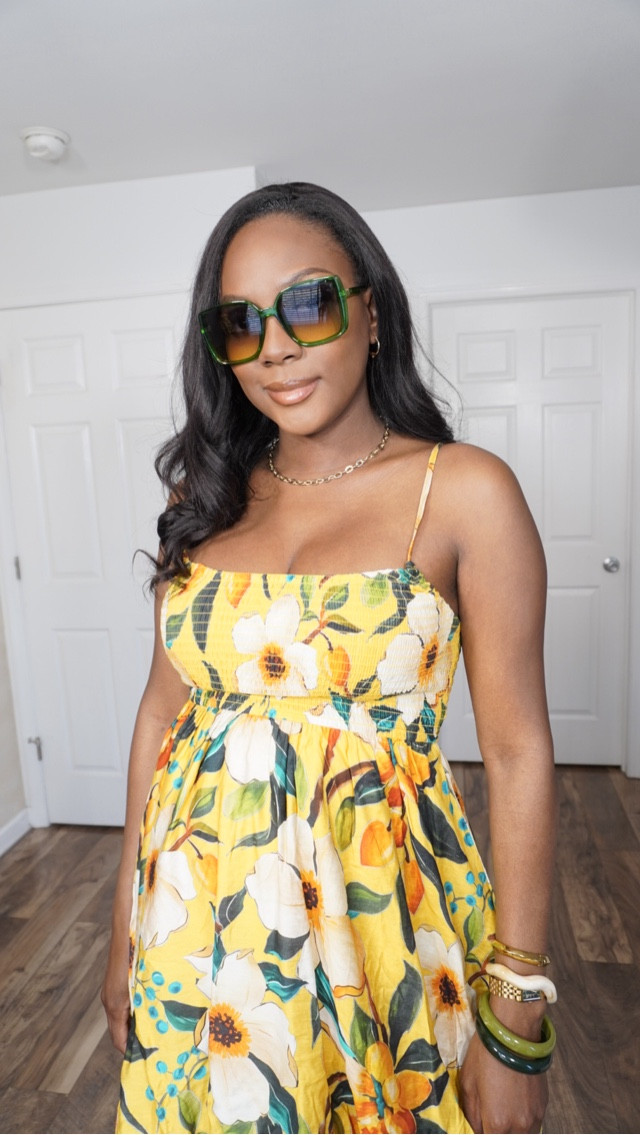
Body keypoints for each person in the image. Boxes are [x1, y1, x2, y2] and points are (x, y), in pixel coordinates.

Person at [102, 182, 556, 1135]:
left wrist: (516, 1013)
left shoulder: (463, 491)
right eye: (240, 323)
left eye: (307, 303)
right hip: (195, 939)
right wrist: (123, 936)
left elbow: (518, 753)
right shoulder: (207, 496)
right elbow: (159, 717)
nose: (274, 347)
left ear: (372, 313)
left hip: (382, 930)